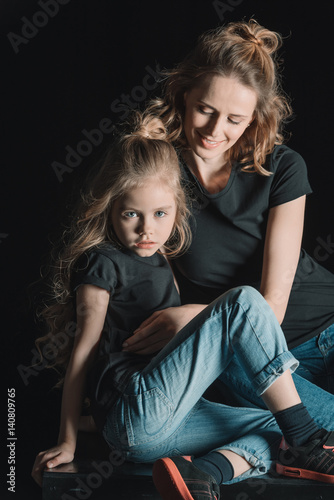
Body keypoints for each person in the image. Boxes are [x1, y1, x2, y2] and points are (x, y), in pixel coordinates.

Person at [31, 112, 334, 499]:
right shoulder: (102, 262)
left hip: (159, 433)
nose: (147, 229)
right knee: (246, 301)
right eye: (131, 215)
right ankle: (307, 440)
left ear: (177, 211)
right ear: (110, 209)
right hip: (136, 407)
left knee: (276, 425)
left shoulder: (163, 261)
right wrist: (68, 440)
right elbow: (84, 352)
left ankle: (206, 472)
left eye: (160, 214)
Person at [122, 20, 334, 409]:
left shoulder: (283, 168)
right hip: (245, 356)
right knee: (239, 389)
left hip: (326, 328)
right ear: (184, 95)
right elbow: (147, 271)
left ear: (254, 118)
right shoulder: (157, 172)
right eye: (205, 109)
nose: (215, 130)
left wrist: (193, 318)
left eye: (235, 120)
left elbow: (270, 308)